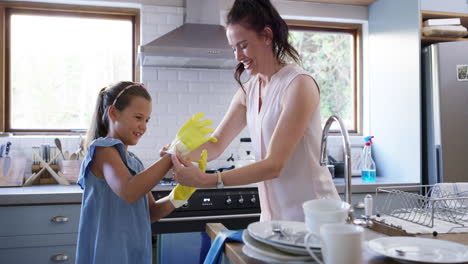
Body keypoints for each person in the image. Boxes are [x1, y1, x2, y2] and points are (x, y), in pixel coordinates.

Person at [171, 0, 340, 222]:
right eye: (233, 48)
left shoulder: (299, 84)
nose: (237, 57)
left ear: (267, 36)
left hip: (316, 219)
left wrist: (207, 180)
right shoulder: (249, 90)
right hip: (274, 222)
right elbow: (215, 144)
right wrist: (175, 153)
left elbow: (273, 165)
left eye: (243, 45)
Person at [75, 81, 213, 264]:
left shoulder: (134, 162)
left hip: (135, 253)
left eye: (147, 120)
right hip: (108, 254)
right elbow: (128, 191)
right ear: (113, 112)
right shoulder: (103, 150)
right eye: (138, 117)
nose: (143, 126)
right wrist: (171, 156)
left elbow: (150, 213)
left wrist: (177, 196)